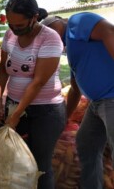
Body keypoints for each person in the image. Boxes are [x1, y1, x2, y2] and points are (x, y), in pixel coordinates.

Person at [0, 0, 66, 188]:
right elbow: (3, 69)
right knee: (11, 160)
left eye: (19, 25)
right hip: (14, 105)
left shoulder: (49, 38)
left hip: (46, 112)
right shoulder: (9, 35)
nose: (14, 30)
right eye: (10, 24)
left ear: (34, 18)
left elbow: (38, 82)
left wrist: (16, 114)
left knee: (39, 166)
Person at [42, 12, 114, 189]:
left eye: (50, 28)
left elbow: (109, 31)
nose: (49, 34)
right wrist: (64, 118)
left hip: (111, 98)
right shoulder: (70, 49)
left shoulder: (77, 22)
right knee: (86, 143)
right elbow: (75, 88)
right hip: (96, 103)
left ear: (60, 21)